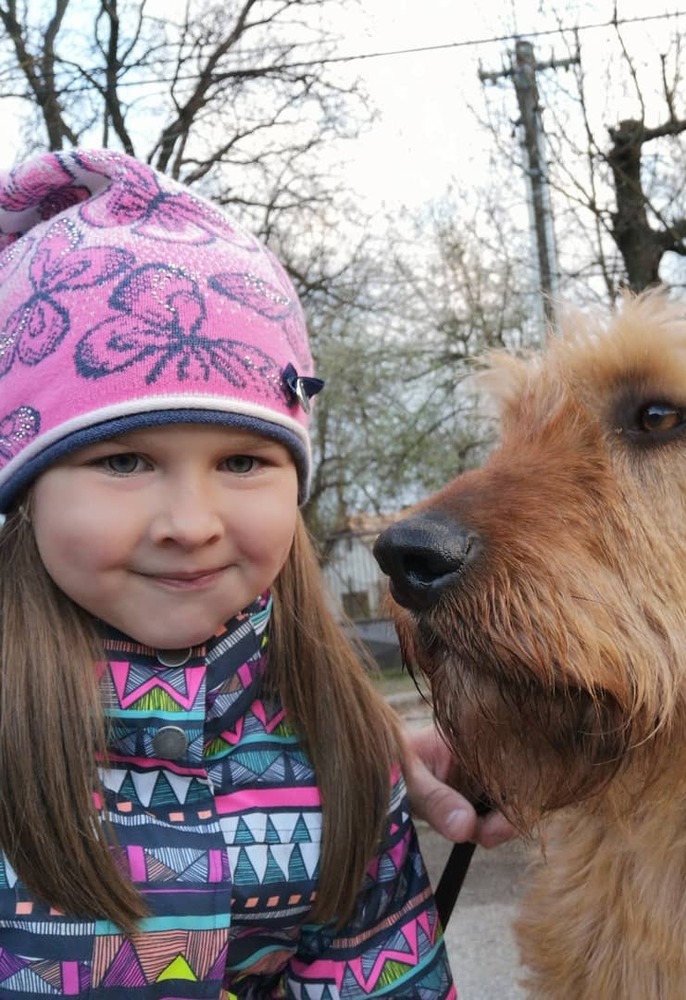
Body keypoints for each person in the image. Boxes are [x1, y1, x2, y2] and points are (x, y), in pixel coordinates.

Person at [0, 147, 502, 999]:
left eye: (242, 462)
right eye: (122, 462)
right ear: (25, 490)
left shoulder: (339, 747)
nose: (191, 525)